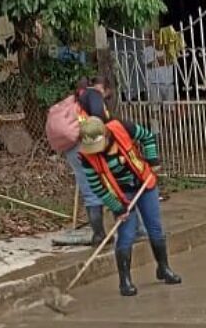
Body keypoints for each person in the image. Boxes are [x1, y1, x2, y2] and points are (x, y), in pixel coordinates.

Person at [77, 116, 181, 296]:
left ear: (106, 135)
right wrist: (117, 208)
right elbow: (97, 187)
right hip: (120, 192)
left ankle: (164, 268)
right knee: (126, 234)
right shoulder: (87, 157)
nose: (95, 151)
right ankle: (125, 281)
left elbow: (147, 137)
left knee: (154, 227)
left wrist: (153, 160)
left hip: (143, 182)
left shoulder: (122, 127)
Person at [45, 78, 106, 245]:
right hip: (85, 143)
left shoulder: (70, 101)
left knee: (88, 189)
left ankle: (98, 233)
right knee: (102, 187)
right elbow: (98, 120)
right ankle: (101, 235)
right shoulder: (94, 94)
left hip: (70, 147)